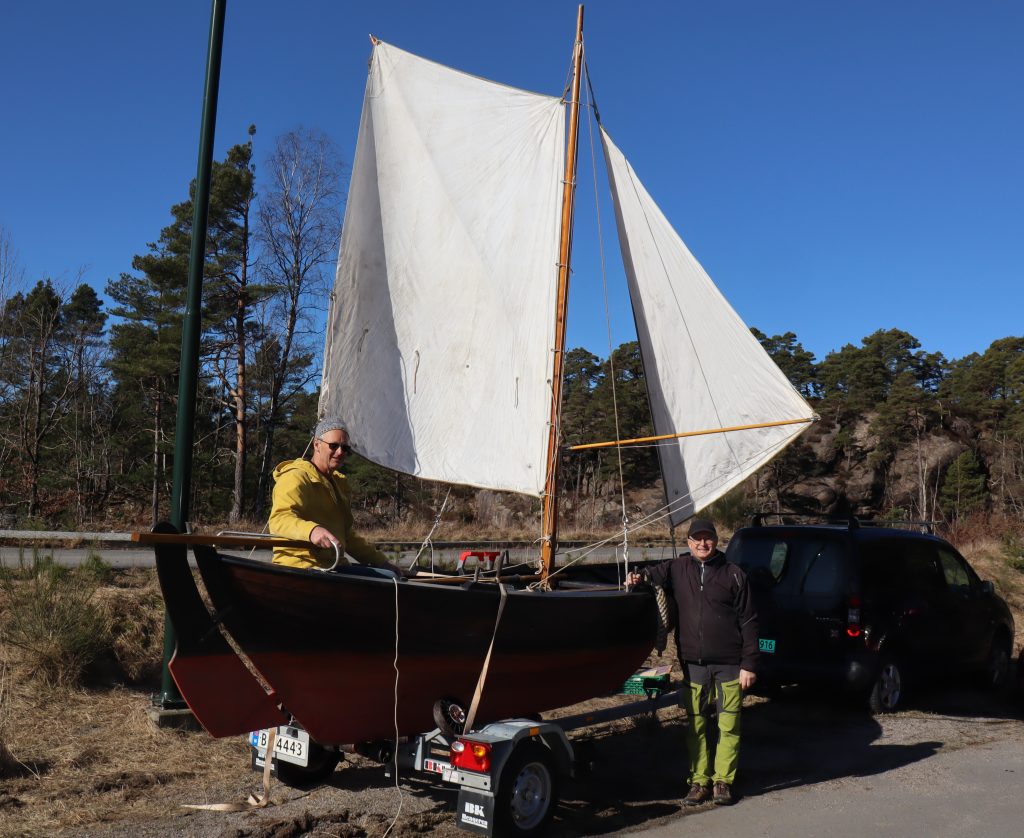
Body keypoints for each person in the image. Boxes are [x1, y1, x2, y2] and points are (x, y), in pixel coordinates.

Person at [627, 517, 757, 807]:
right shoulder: (677, 567)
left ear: (716, 540)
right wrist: (636, 577)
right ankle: (699, 782)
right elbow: (650, 575)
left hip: (729, 664)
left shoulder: (734, 575)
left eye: (707, 538)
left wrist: (749, 664)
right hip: (693, 662)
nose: (702, 544)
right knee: (696, 725)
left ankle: (723, 782)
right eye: (696, 539)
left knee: (728, 724)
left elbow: (749, 622)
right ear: (688, 543)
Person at [269, 416, 407, 575]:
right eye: (333, 446)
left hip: (333, 566)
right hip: (301, 567)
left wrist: (382, 563)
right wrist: (313, 531)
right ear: (317, 445)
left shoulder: (337, 485)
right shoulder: (295, 477)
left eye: (345, 448)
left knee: (391, 575)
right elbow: (280, 519)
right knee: (388, 580)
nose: (340, 452)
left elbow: (347, 536)